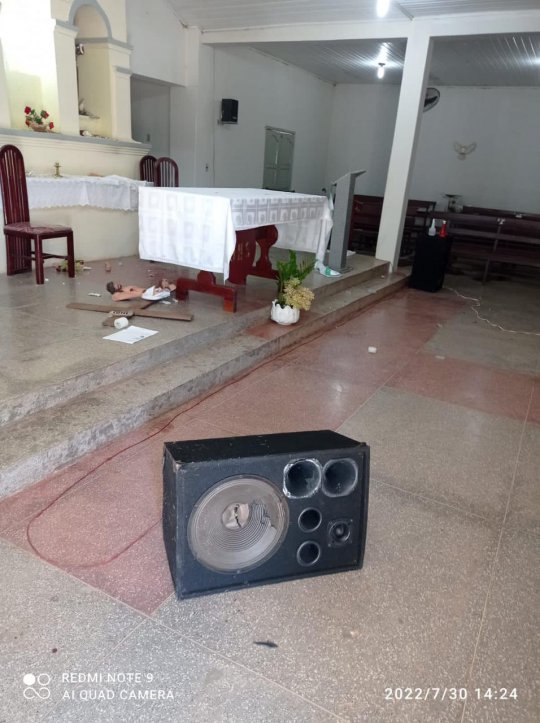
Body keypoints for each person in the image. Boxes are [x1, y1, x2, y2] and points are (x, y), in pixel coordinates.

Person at [106, 278, 176, 302]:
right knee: (164, 282)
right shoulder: (117, 295)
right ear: (114, 289)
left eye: (116, 284)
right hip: (147, 294)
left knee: (172, 286)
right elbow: (115, 297)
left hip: (147, 291)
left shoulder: (123, 289)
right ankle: (165, 287)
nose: (118, 284)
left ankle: (167, 288)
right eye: (116, 285)